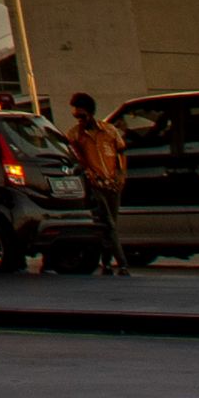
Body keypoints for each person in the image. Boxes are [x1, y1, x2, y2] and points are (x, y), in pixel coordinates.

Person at [65, 92, 132, 272]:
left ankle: (107, 262)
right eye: (76, 116)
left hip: (113, 184)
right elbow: (77, 159)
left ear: (90, 113)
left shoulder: (109, 131)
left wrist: (120, 175)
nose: (79, 119)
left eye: (82, 115)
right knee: (108, 223)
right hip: (95, 185)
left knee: (110, 225)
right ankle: (123, 264)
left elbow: (121, 153)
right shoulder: (74, 135)